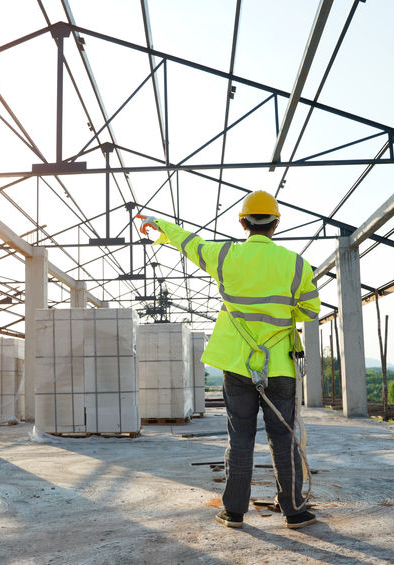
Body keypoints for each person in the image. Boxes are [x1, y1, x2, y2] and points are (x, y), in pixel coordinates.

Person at [136, 190, 320, 530]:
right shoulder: (297, 264)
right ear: (276, 224)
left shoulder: (225, 257)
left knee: (240, 439)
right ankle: (294, 511)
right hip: (279, 366)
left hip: (237, 365)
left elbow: (189, 242)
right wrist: (282, 311)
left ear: (243, 223)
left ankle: (234, 511)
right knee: (283, 439)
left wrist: (158, 225)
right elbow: (311, 309)